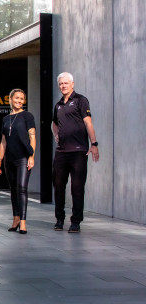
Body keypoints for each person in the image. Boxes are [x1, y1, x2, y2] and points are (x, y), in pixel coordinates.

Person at [52, 72, 99, 233]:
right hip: (61, 153)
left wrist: (94, 143)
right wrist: (56, 134)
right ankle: (59, 219)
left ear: (72, 84)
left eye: (66, 83)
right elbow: (54, 123)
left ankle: (76, 222)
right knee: (58, 186)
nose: (63, 86)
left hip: (78, 152)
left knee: (77, 188)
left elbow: (88, 123)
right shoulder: (58, 105)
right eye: (61, 83)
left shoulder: (80, 100)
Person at [0, 89, 36, 234]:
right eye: (17, 98)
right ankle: (16, 219)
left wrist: (31, 156)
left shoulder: (27, 116)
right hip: (9, 159)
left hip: (23, 157)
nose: (19, 101)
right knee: (13, 189)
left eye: (22, 99)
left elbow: (32, 137)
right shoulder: (6, 119)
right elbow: (3, 141)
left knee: (22, 188)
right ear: (10, 99)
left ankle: (23, 222)